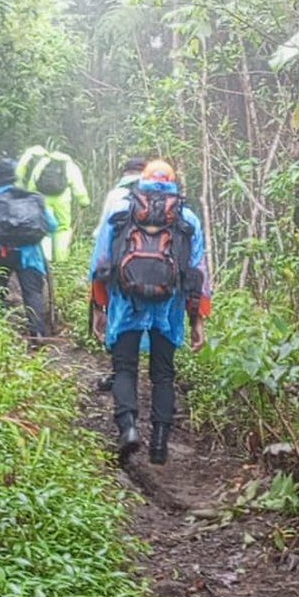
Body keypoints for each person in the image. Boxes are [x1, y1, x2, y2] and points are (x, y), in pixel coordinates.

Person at [90, 159, 211, 466]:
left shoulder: (121, 211)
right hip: (168, 308)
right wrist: (197, 320)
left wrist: (99, 308)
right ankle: (159, 443)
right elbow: (198, 273)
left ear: (141, 181)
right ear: (174, 182)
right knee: (163, 374)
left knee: (125, 367)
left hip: (126, 302)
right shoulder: (187, 218)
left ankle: (129, 428)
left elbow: (101, 263)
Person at [0, 156, 58, 339]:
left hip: (2, 251)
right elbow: (52, 224)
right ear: (17, 177)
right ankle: (37, 333)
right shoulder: (33, 198)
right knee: (33, 292)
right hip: (30, 253)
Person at [93, 155, 147, 392]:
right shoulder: (164, 199)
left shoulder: (116, 196)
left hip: (122, 276)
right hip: (160, 278)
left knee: (120, 323)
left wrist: (96, 299)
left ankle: (119, 373)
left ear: (125, 172)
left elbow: (102, 237)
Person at [17, 148, 90, 263]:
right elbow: (79, 187)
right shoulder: (70, 166)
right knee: (62, 228)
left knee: (45, 228)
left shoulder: (43, 163)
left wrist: (31, 199)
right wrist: (84, 202)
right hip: (63, 201)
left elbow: (33, 182)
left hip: (43, 200)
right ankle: (61, 260)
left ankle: (46, 260)